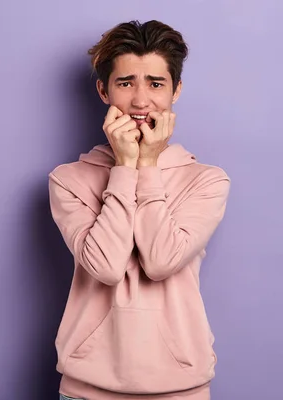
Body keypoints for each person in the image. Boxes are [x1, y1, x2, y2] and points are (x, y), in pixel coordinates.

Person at [48, 20, 231, 400]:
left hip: (179, 388)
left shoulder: (207, 181)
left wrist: (147, 167)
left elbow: (161, 261)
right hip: (87, 389)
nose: (141, 101)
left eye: (156, 84)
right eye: (126, 82)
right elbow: (107, 267)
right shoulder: (68, 180)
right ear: (104, 89)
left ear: (176, 90)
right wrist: (124, 168)